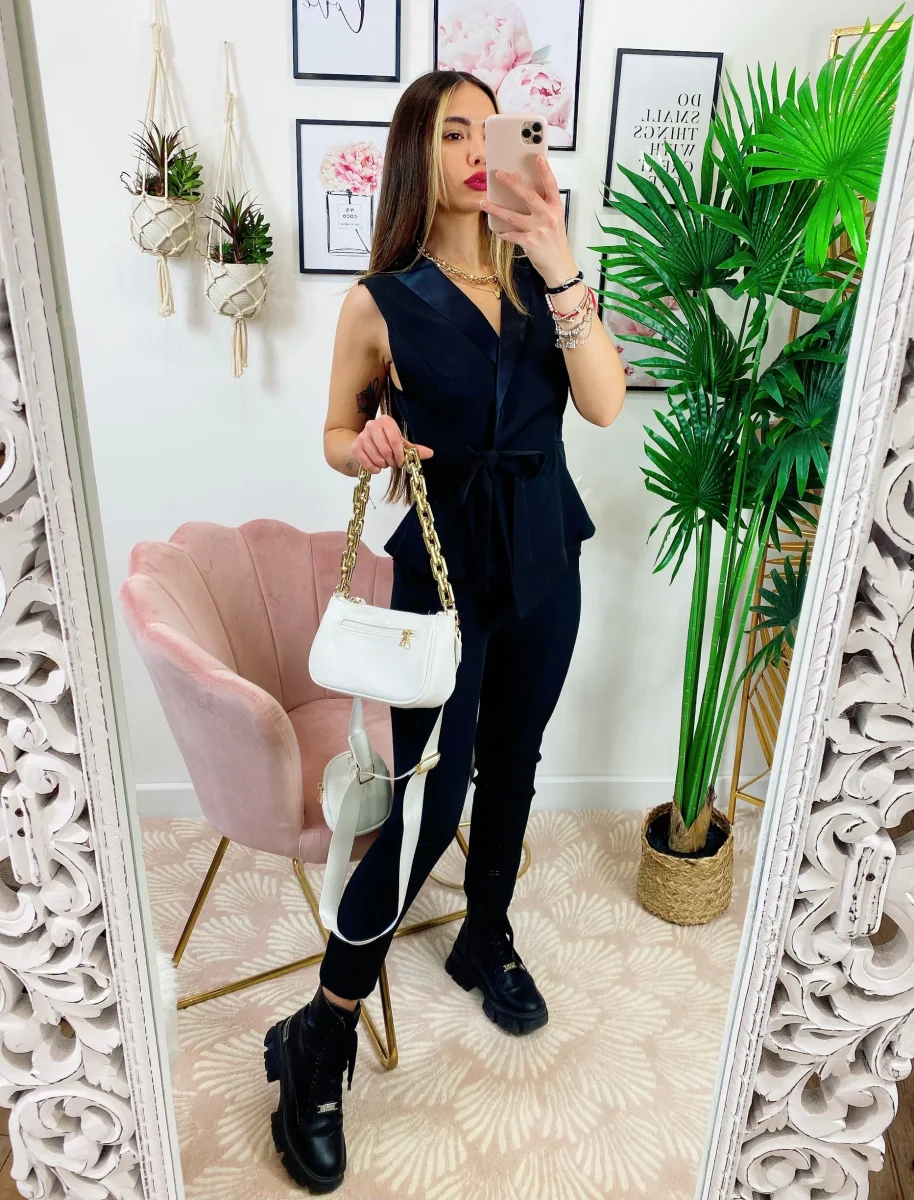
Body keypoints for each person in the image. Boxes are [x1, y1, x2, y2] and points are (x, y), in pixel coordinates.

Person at [263, 69, 627, 1193]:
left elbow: (604, 401)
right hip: (443, 578)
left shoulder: (541, 271)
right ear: (417, 152)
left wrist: (556, 252)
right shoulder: (379, 301)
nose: (476, 150)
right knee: (430, 799)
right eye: (453, 131)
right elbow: (336, 433)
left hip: (545, 561)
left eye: (491, 131)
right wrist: (364, 446)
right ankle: (320, 1034)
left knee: (515, 765)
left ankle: (485, 933)